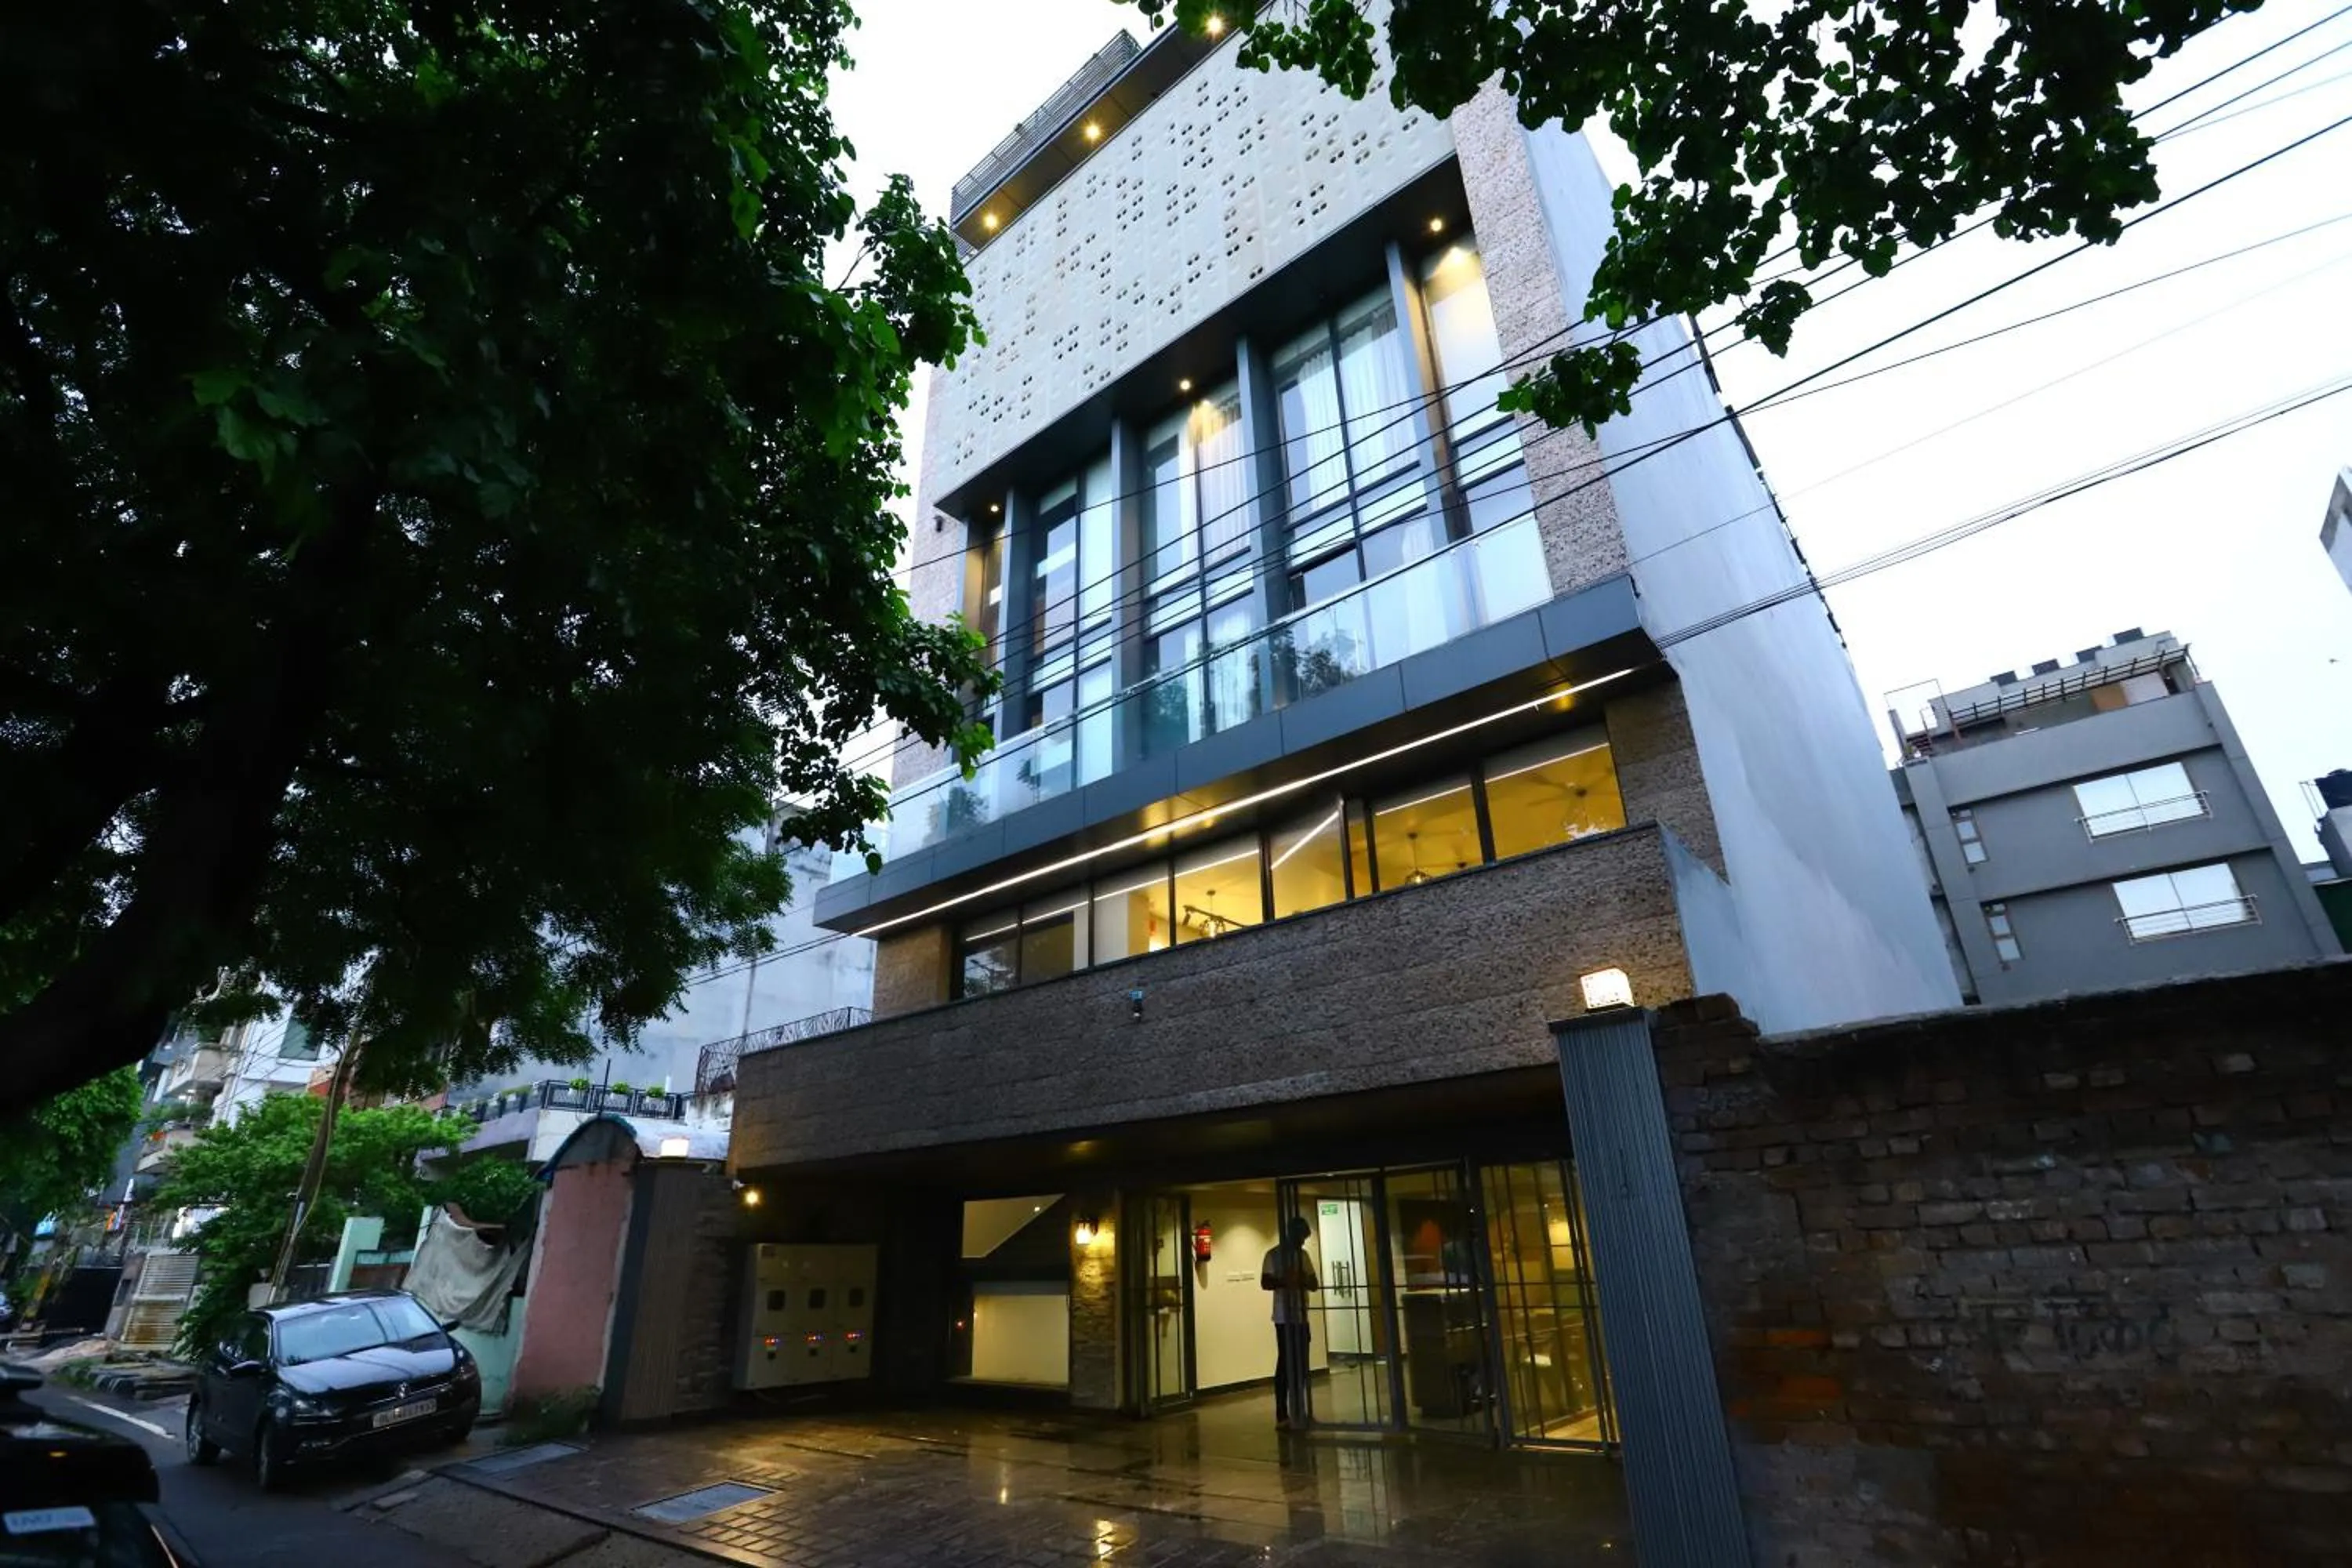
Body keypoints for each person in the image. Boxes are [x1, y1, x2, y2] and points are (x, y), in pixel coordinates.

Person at [1259, 1214, 1319, 1429]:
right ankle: (1283, 1413)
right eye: (1301, 1237)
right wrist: (1287, 1280)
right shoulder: (1273, 1255)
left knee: (1301, 1365)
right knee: (1285, 1364)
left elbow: (1314, 1283)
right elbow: (1265, 1282)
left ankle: (1299, 1411)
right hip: (1284, 1317)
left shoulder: (1303, 1256)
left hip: (1301, 1316)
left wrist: (1300, 1279)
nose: (1303, 1242)